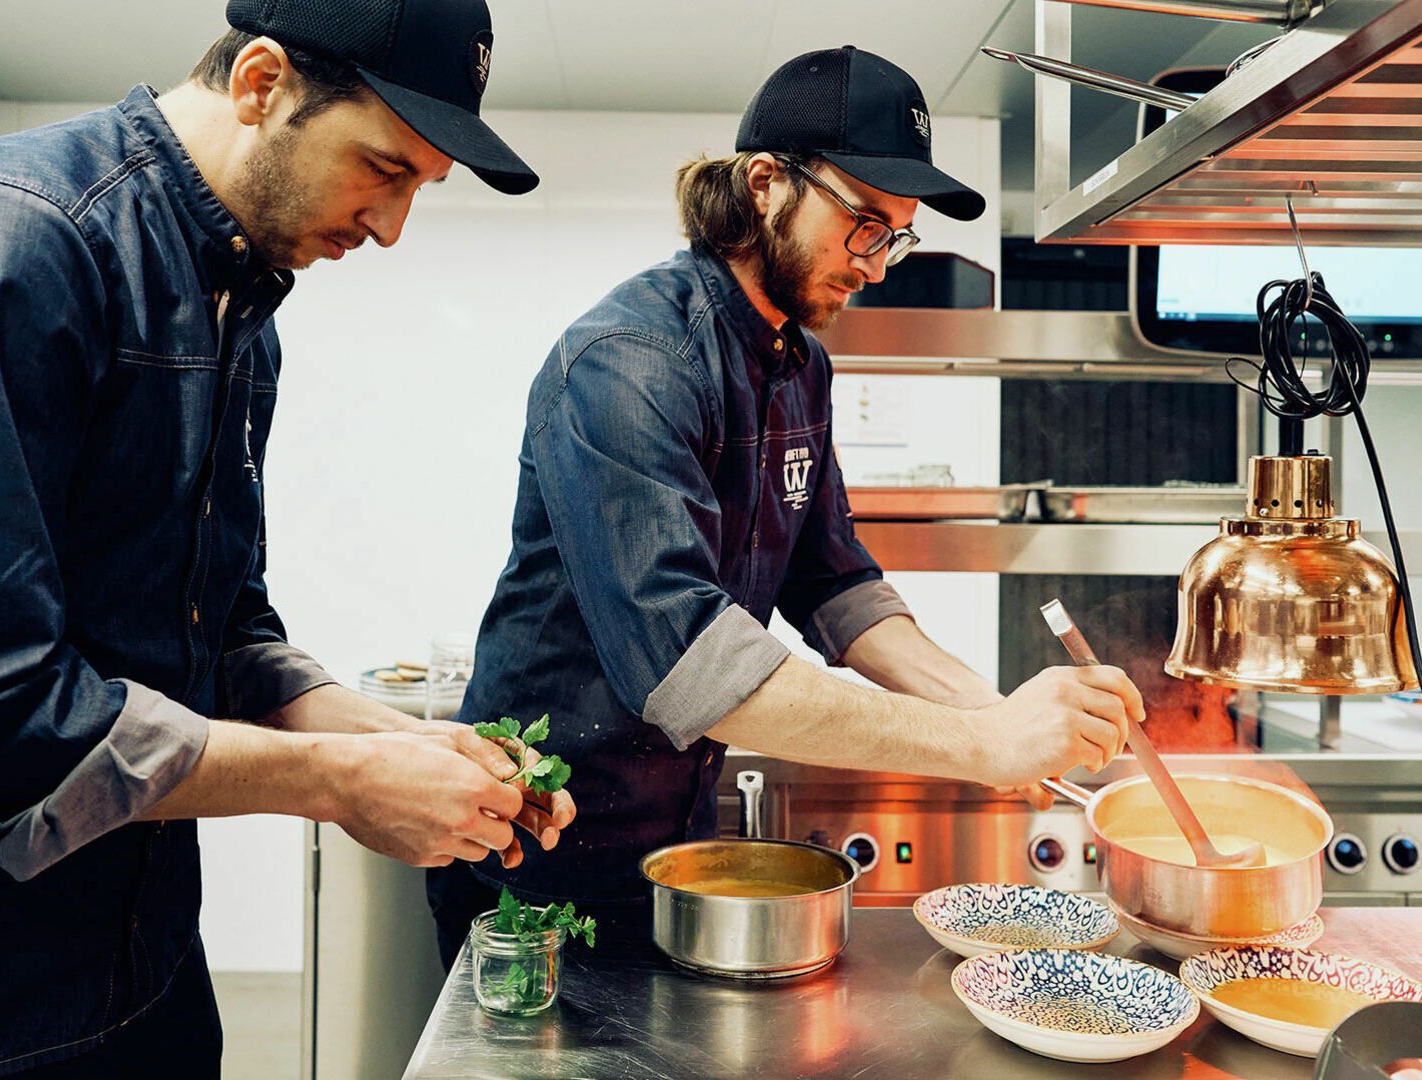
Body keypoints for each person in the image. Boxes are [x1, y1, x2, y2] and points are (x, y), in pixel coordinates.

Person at [0, 1, 572, 1075]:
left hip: (138, 975)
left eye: (420, 188)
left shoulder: (241, 309)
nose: (390, 227)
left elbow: (219, 626)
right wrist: (337, 782)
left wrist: (391, 742)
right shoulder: (3, 236)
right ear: (261, 83)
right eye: (383, 168)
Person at [427, 45, 1144, 966]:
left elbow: (835, 584)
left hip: (672, 842)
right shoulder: (631, 360)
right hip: (536, 846)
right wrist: (979, 744)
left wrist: (994, 712)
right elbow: (692, 665)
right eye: (865, 225)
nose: (877, 267)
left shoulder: (799, 364)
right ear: (765, 184)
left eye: (897, 237)